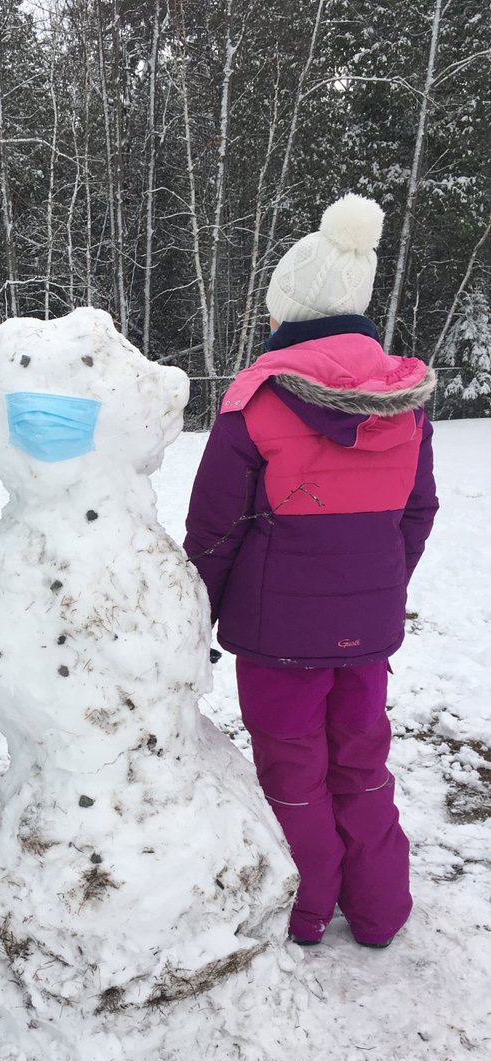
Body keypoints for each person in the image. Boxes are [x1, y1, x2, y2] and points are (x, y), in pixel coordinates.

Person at [184, 193, 438, 948]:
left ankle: (306, 907)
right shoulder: (407, 403)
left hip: (278, 632)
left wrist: (198, 613)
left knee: (292, 769)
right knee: (361, 763)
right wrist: (379, 583)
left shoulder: (256, 401)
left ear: (287, 311)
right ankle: (381, 909)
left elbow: (215, 530)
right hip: (368, 631)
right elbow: (417, 512)